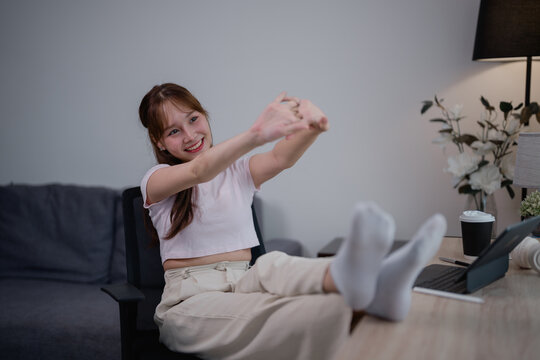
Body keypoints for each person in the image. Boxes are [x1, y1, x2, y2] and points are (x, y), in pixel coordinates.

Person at [139, 83, 447, 360]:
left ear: (204, 116)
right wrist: (256, 134)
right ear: (160, 141)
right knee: (269, 312)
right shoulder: (156, 181)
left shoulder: (237, 172)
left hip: (244, 279)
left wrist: (313, 126)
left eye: (193, 119)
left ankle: (371, 277)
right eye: (173, 131)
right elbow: (199, 172)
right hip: (190, 303)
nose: (190, 135)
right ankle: (374, 296)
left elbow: (280, 158)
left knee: (273, 263)